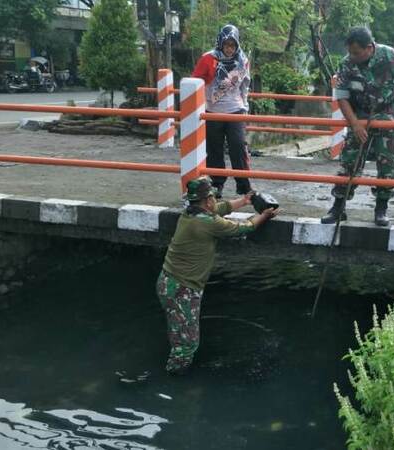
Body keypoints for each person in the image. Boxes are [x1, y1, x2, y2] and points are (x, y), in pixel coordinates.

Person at [156, 176, 278, 374]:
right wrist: (265, 215)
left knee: (179, 331)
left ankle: (174, 365)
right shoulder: (208, 223)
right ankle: (173, 380)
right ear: (208, 200)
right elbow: (243, 228)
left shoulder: (190, 214)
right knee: (187, 344)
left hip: (169, 282)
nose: (215, 201)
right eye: (213, 197)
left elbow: (219, 209)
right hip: (182, 289)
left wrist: (244, 201)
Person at [321, 26, 394, 227]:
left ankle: (381, 208)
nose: (352, 56)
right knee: (349, 159)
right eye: (350, 52)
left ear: (370, 47)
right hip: (359, 112)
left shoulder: (390, 56)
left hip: (387, 109)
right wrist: (355, 124)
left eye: (356, 52)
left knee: (388, 159)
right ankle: (338, 207)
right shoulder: (346, 64)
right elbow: (342, 97)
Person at [192, 24, 252, 199]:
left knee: (238, 145)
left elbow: (245, 86)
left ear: (237, 45)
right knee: (214, 148)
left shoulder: (243, 61)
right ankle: (217, 183)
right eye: (226, 45)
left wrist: (245, 107)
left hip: (235, 109)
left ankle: (243, 184)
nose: (229, 48)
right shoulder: (208, 59)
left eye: (233, 45)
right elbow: (195, 82)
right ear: (220, 43)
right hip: (212, 110)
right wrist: (200, 105)